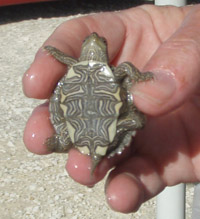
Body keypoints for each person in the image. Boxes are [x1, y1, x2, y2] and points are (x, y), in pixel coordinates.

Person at [23, 4, 200, 213]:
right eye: (89, 42)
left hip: (95, 122)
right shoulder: (83, 66)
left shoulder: (100, 69)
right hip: (95, 123)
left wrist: (143, 77)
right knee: (124, 123)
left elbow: (125, 69)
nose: (95, 41)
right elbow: (123, 70)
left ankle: (82, 146)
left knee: (134, 120)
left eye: (101, 42)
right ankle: (75, 144)